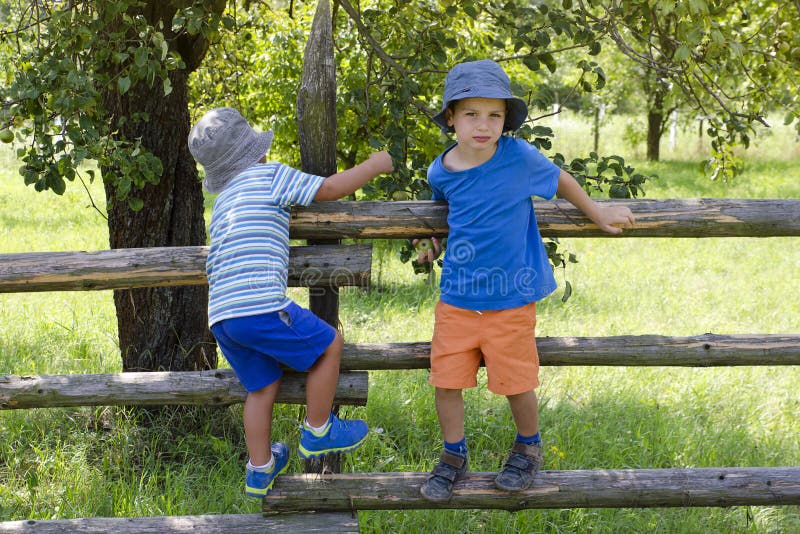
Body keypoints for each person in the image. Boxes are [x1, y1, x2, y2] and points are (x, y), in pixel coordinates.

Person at [415, 60, 635, 502]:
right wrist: (433, 242)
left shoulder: (518, 157)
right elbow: (446, 212)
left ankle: (528, 446)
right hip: (457, 297)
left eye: (494, 115)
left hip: (511, 298)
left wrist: (599, 212)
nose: (483, 125)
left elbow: (561, 180)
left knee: (516, 381)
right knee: (446, 381)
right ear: (451, 118)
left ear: (505, 120)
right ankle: (453, 454)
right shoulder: (439, 170)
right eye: (472, 114)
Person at [188, 107, 394, 498]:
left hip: (222, 317)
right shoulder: (269, 176)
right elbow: (330, 189)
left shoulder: (224, 202)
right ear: (255, 153)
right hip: (259, 306)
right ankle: (319, 431)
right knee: (330, 343)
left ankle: (260, 468)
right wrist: (373, 165)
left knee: (262, 388)